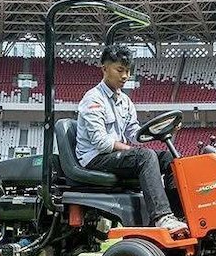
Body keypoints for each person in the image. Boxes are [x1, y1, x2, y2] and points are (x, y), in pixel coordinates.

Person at [75, 44, 187, 233]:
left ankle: (178, 214)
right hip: (94, 158)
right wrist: (130, 150)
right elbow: (101, 143)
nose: (125, 76)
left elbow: (135, 134)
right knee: (145, 156)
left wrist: (162, 129)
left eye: (127, 71)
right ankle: (161, 217)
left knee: (169, 159)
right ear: (104, 69)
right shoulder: (93, 99)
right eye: (120, 70)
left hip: (113, 155)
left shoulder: (124, 101)